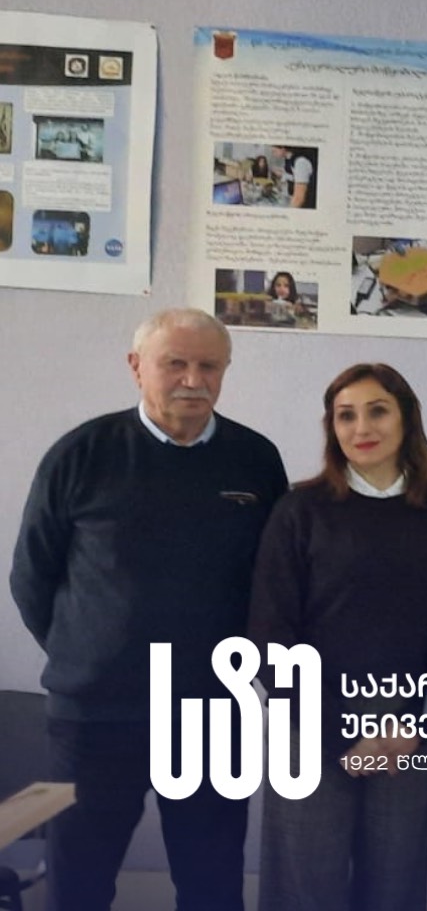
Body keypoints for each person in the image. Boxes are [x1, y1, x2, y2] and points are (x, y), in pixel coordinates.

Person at [10, 308, 288, 911]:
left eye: (208, 365)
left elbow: (275, 582)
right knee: (78, 880)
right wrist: (89, 655)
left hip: (213, 714)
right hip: (94, 718)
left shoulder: (256, 461)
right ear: (137, 368)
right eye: (175, 363)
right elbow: (32, 575)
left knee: (212, 880)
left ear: (225, 371)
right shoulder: (81, 454)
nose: (193, 379)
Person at [249, 364, 427, 911]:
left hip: (408, 728)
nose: (361, 427)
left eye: (377, 410)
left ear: (406, 419)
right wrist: (341, 739)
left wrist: (419, 724)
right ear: (331, 427)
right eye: (345, 415)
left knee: (394, 888)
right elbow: (270, 636)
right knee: (305, 889)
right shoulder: (300, 510)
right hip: (310, 728)